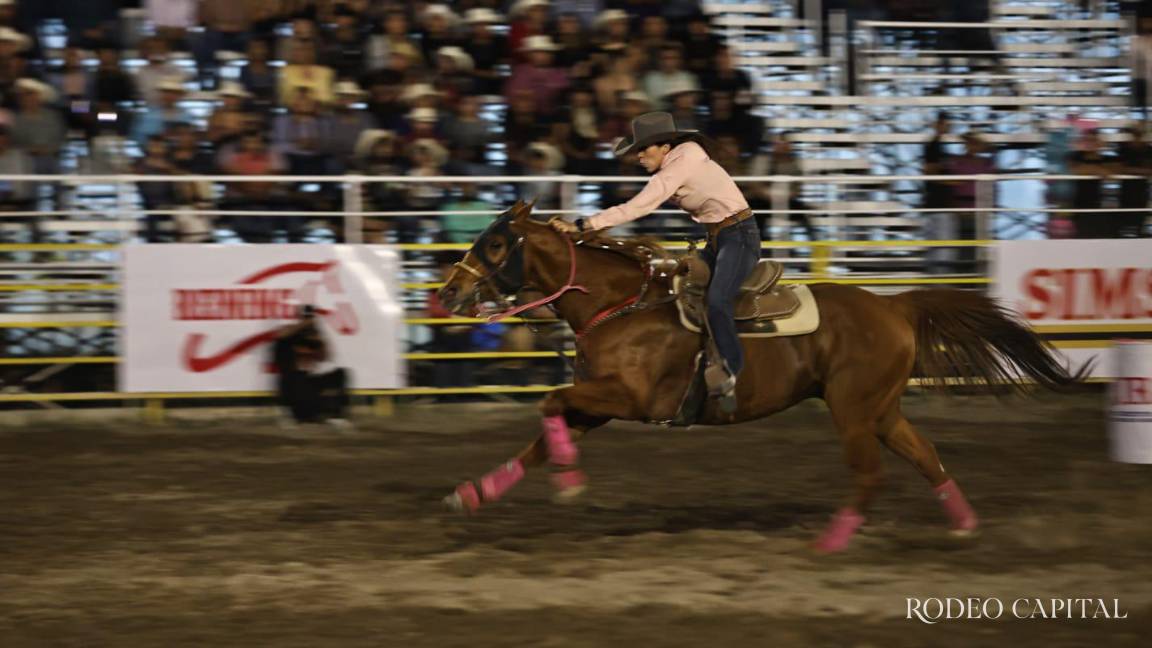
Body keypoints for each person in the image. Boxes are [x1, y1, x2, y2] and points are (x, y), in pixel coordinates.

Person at [550, 112, 757, 402]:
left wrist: (584, 225)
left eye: (643, 148)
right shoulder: (680, 161)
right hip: (721, 238)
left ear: (665, 147)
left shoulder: (679, 164)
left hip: (738, 237)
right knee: (682, 295)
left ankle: (732, 372)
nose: (638, 155)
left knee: (718, 300)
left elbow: (639, 206)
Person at [271, 304, 352, 429]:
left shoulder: (313, 336)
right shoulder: (289, 332)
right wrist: (304, 324)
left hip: (309, 383)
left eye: (310, 318)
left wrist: (320, 339)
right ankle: (289, 414)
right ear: (300, 318)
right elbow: (280, 335)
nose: (308, 321)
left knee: (340, 373)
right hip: (293, 384)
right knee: (288, 376)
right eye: (305, 317)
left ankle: (336, 415)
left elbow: (326, 357)